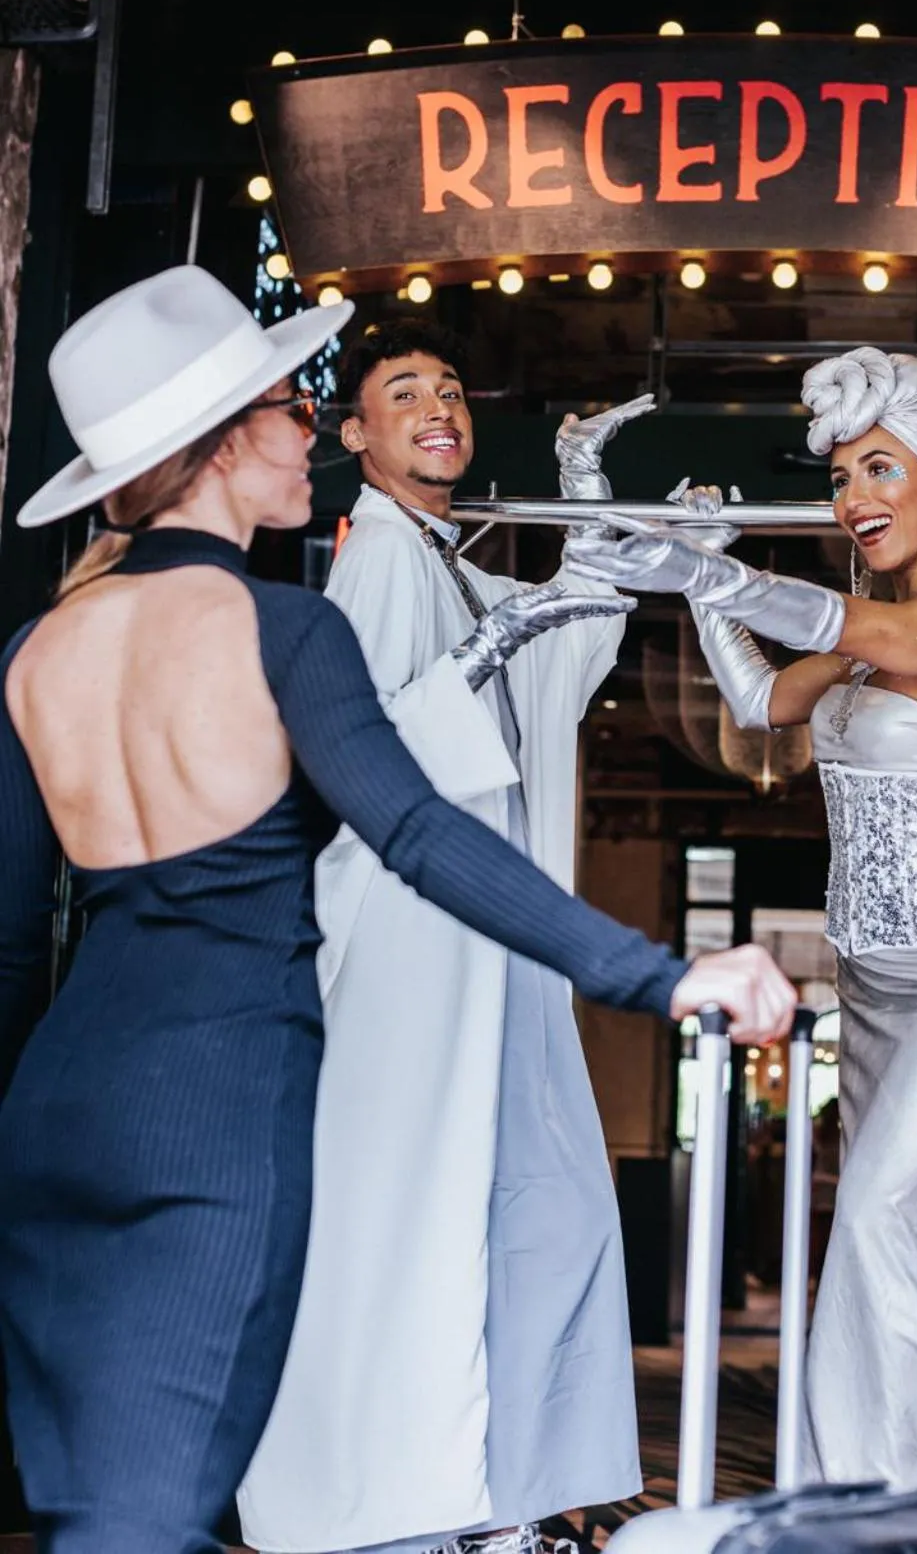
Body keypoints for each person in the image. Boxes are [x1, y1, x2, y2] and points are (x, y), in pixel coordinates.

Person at [0, 264, 795, 1554]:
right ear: (220, 444)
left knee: (99, 1508)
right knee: (155, 1515)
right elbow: (418, 833)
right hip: (224, 1105)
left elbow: (3, 944)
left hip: (58, 1108)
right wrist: (660, 976)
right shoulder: (285, 628)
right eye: (291, 409)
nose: (308, 430)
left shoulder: (40, 648)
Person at [564, 345, 917, 1504]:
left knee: (876, 1222)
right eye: (841, 478)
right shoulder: (869, 630)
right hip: (871, 985)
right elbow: (759, 699)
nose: (855, 497)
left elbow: (830, 620)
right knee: (904, 1239)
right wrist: (706, 576)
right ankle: (907, 1489)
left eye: (881, 468)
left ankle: (895, 1506)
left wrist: (700, 568)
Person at [240, 322, 658, 1554]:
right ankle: (436, 1498)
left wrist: (586, 485)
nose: (439, 408)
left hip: (493, 935)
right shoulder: (377, 556)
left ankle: (507, 1489)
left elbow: (568, 645)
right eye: (404, 391)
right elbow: (361, 743)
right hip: (420, 944)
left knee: (547, 1201)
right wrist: (491, 645)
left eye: (454, 390)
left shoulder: (451, 554)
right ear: (357, 434)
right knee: (434, 1214)